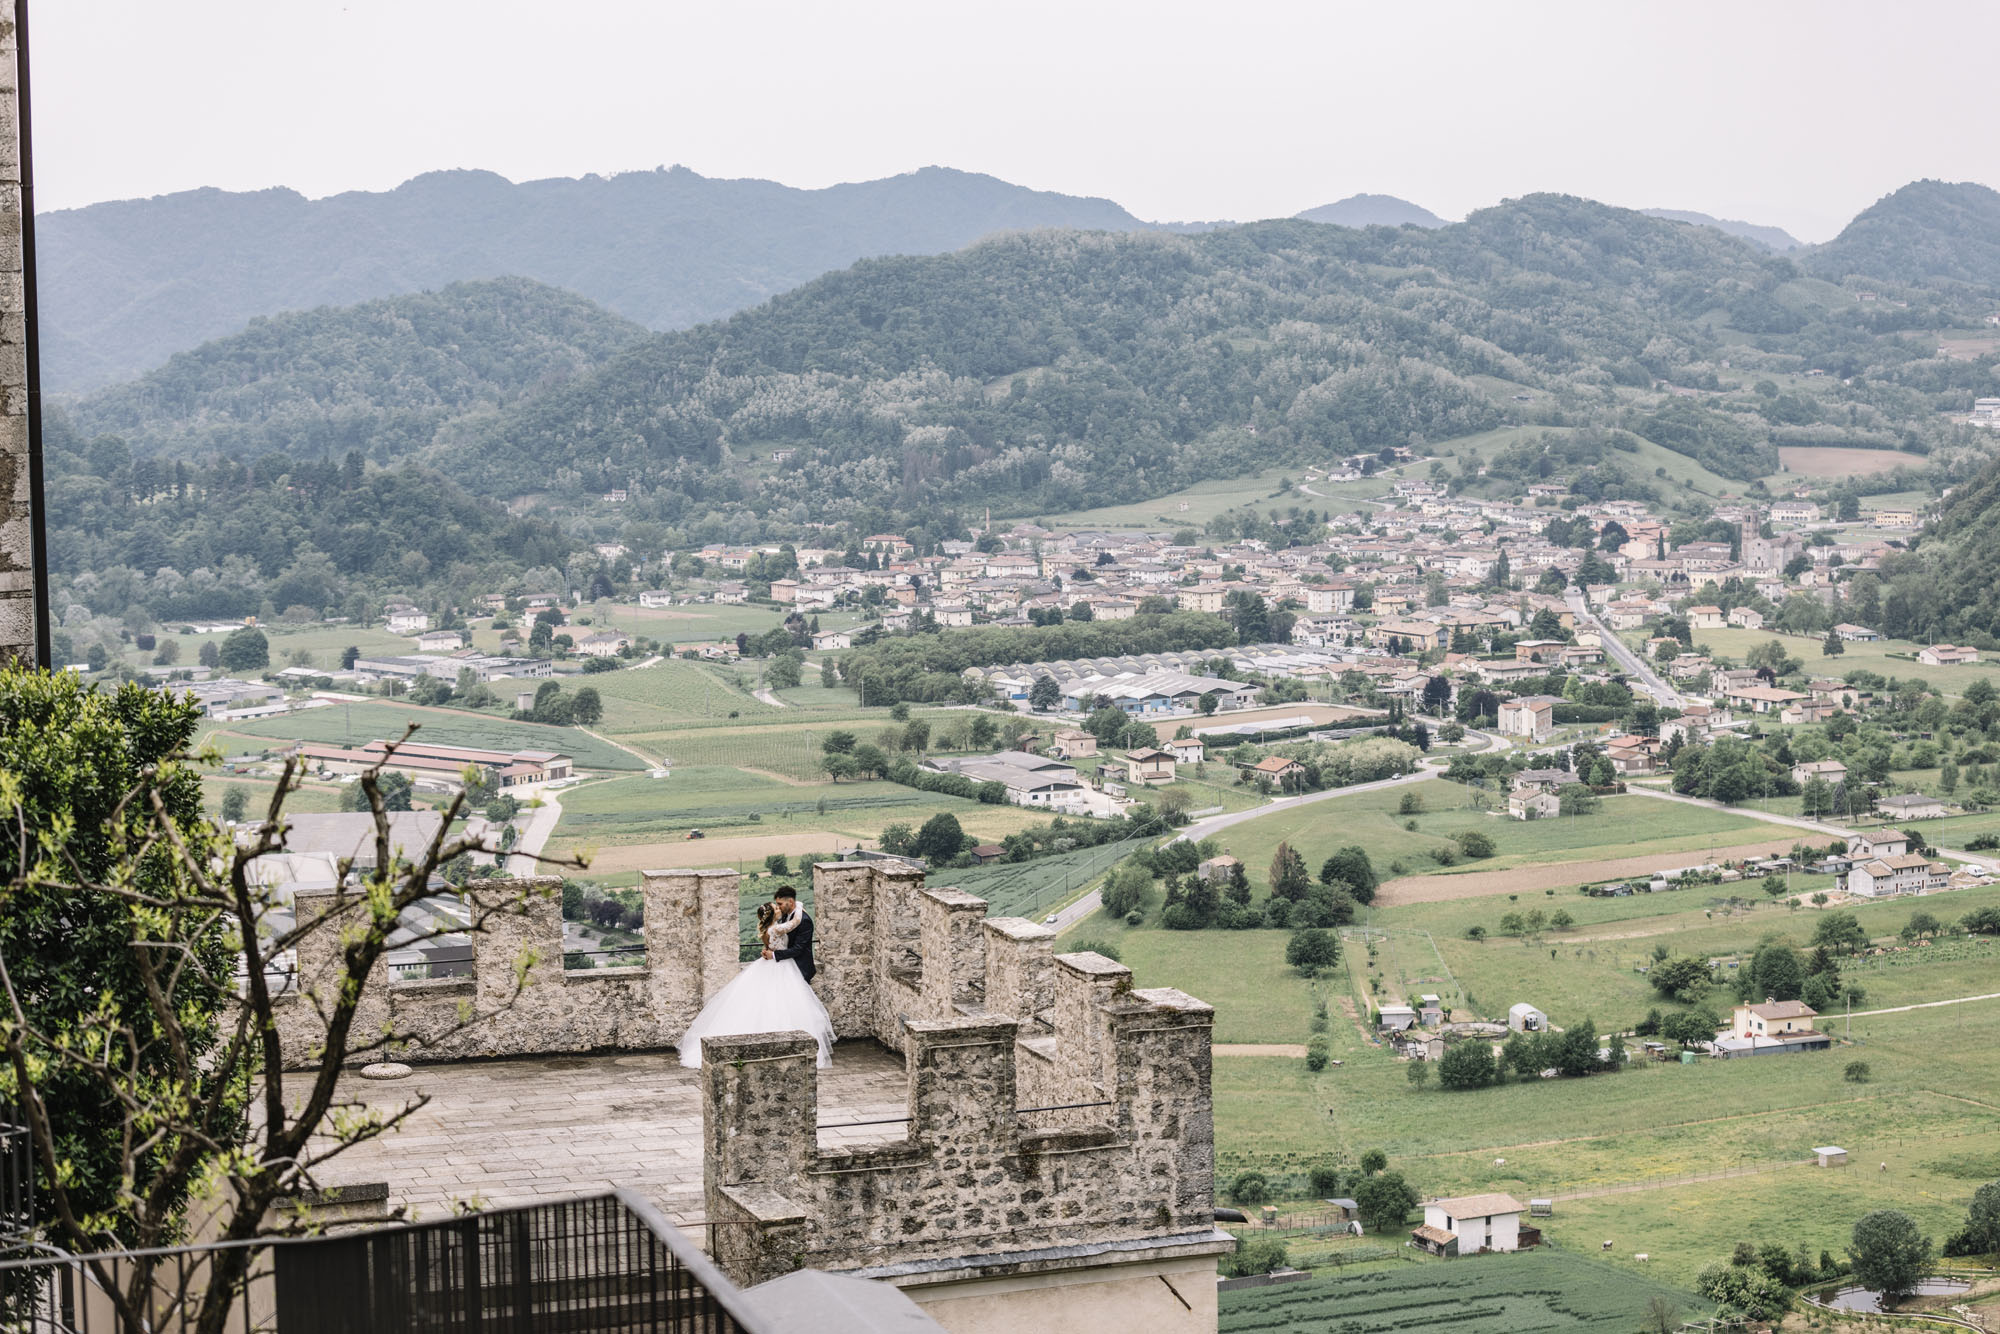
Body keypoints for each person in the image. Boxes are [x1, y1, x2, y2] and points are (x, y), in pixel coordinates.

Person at [677, 891, 832, 1069]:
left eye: (779, 904)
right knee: (779, 1005)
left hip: (776, 965)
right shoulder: (776, 928)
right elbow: (795, 923)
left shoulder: (768, 930)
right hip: (780, 966)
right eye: (776, 907)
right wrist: (800, 906)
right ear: (774, 914)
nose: (779, 908)